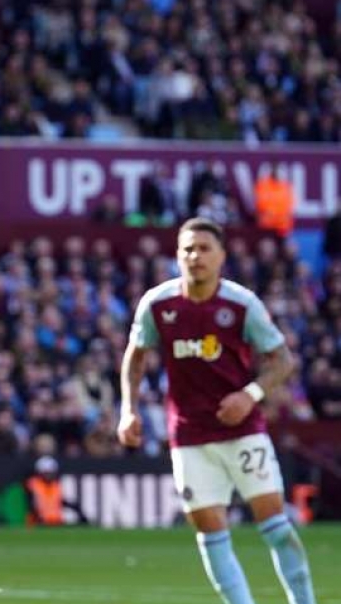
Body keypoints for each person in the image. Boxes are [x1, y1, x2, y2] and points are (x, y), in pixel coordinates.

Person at [118, 217, 316, 604]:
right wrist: (128, 409)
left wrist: (251, 393)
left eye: (204, 249)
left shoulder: (242, 305)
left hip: (242, 431)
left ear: (222, 256)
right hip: (189, 437)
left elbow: (282, 360)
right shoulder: (157, 305)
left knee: (276, 527)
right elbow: (135, 357)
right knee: (210, 533)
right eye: (187, 249)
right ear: (177, 256)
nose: (195, 256)